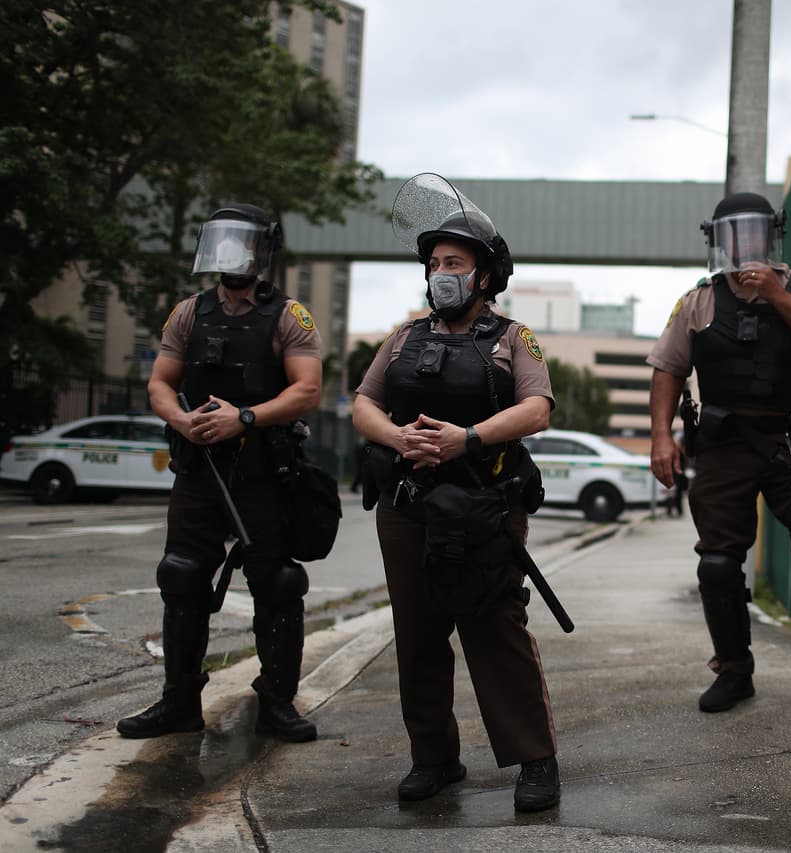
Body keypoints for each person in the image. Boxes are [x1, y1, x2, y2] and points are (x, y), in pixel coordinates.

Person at [351, 173, 561, 812]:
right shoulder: (404, 337)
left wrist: (465, 439)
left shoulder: (511, 338)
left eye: (456, 262)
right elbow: (363, 403)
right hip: (408, 507)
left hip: (483, 510)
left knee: (495, 628)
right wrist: (397, 439)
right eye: (436, 262)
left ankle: (535, 761)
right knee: (416, 635)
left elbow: (538, 408)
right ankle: (434, 759)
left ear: (485, 275)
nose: (442, 272)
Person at [117, 203, 323, 743]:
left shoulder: (288, 316)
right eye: (224, 241)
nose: (233, 253)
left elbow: (307, 389)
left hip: (262, 472)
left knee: (277, 585)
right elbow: (160, 381)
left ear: (263, 250)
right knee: (181, 576)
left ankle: (277, 703)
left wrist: (246, 418)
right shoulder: (189, 313)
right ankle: (179, 703)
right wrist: (181, 420)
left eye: (244, 242)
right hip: (199, 469)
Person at [648, 191, 791, 714]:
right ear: (718, 242)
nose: (745, 245)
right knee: (718, 563)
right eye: (733, 235)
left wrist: (778, 296)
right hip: (723, 446)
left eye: (755, 233)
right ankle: (734, 671)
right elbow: (668, 367)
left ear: (771, 235)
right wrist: (660, 437)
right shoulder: (699, 300)